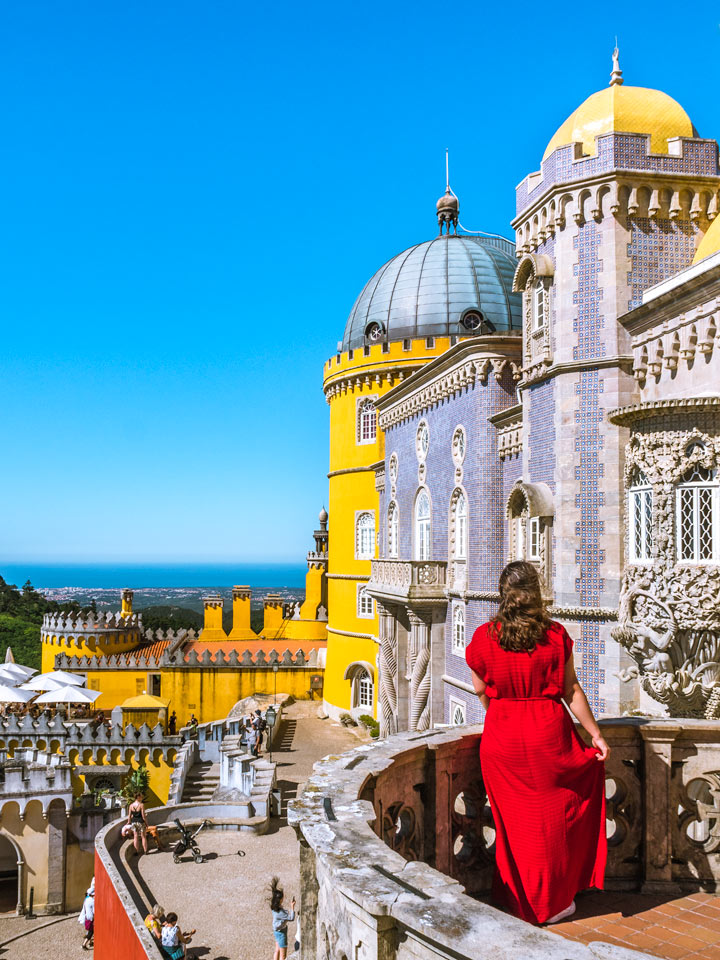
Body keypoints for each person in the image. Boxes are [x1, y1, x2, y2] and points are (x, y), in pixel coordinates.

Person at [465, 561, 609, 925]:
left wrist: (502, 707)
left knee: (514, 826)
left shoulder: (484, 637)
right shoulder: (555, 635)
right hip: (548, 736)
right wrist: (595, 733)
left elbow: (481, 689)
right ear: (536, 593)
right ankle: (553, 901)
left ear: (502, 594)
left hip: (502, 737)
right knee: (552, 824)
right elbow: (570, 689)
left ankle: (521, 900)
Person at [269, 877, 295, 960]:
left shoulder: (273, 907)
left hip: (276, 931)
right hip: (282, 933)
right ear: (280, 900)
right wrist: (292, 907)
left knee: (277, 950)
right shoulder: (281, 913)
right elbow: (291, 918)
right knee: (283, 956)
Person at [127, 791, 149, 856]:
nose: (142, 798)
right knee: (143, 836)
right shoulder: (141, 805)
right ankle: (145, 851)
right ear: (138, 797)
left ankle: (136, 851)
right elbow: (143, 816)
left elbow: (129, 816)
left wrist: (128, 822)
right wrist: (147, 823)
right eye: (141, 796)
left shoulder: (131, 805)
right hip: (140, 822)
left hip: (134, 822)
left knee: (135, 837)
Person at [78, 878, 95, 950]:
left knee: (91, 931)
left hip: (87, 918)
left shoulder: (86, 899)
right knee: (91, 932)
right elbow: (94, 911)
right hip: (91, 919)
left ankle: (91, 942)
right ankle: (84, 945)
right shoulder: (92, 901)